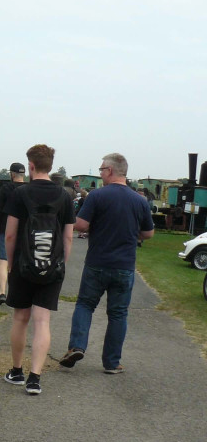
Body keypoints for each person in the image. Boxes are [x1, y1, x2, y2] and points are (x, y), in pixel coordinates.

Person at [60, 153, 154, 375]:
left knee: (85, 305)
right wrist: (132, 232)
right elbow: (148, 233)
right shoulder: (139, 200)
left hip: (97, 263)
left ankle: (77, 346)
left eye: (102, 170)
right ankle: (112, 363)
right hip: (125, 266)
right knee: (118, 314)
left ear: (110, 171)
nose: (100, 173)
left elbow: (81, 225)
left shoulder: (97, 196)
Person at [3, 144, 75, 396]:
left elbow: (10, 234)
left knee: (21, 318)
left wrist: (11, 263)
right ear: (51, 165)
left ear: (31, 166)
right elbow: (68, 238)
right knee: (42, 321)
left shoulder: (20, 194)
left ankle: (16, 371)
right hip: (52, 267)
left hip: (23, 264)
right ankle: (35, 378)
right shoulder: (65, 196)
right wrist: (60, 264)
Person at [0, 162, 26, 305]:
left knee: (4, 261)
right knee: (20, 262)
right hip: (23, 230)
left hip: (6, 228)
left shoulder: (6, 188)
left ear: (12, 174)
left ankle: (2, 292)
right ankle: (17, 293)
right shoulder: (29, 188)